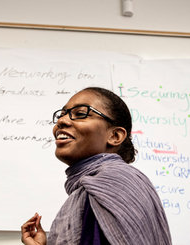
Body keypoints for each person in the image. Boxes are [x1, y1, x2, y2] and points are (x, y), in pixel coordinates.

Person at [21, 87, 172, 245]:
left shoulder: (115, 182)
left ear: (114, 136)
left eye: (80, 114)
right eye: (61, 115)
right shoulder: (91, 187)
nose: (61, 121)